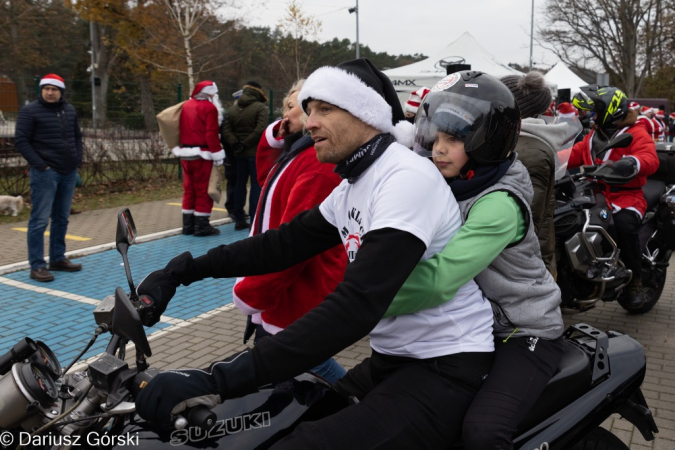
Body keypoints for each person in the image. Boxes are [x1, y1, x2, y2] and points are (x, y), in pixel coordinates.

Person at [135, 58, 495, 448]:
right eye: (308, 110)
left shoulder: (405, 179)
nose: (309, 123)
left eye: (325, 109)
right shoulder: (354, 183)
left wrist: (216, 379)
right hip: (394, 357)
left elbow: (356, 305)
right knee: (274, 428)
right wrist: (182, 271)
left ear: (365, 113)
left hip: (445, 363)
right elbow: (281, 245)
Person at [385, 70, 564, 450]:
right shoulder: (451, 182)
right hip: (475, 327)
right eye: (436, 137)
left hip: (523, 331)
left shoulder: (497, 204)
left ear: (487, 143)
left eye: (454, 139)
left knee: (483, 433)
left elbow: (439, 279)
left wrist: (361, 300)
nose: (439, 149)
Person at [234, 78, 347, 384]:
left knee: (299, 362)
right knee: (289, 365)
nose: (288, 114)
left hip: (298, 285)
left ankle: (358, 399)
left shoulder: (317, 162)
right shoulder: (299, 151)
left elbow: (295, 241)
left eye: (296, 106)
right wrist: (273, 137)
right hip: (285, 282)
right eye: (286, 106)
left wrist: (255, 292)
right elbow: (266, 176)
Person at [571, 85, 659, 309]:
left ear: (611, 111)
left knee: (623, 226)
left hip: (626, 196)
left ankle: (634, 282)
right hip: (595, 192)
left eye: (596, 112)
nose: (593, 116)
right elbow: (574, 154)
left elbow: (650, 158)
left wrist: (632, 162)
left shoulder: (636, 132)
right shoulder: (594, 136)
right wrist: (547, 158)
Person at [14, 74, 83, 282]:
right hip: (45, 173)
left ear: (61, 91)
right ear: (41, 90)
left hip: (68, 172)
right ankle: (37, 265)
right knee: (39, 220)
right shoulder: (30, 111)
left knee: (61, 217)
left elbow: (77, 136)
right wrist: (41, 166)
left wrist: (77, 160)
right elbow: (21, 140)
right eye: (46, 88)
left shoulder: (69, 110)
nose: (50, 92)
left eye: (54, 89)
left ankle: (57, 258)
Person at [501, 71, 568, 279]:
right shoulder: (516, 142)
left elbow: (525, 220)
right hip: (522, 260)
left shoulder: (529, 151)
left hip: (525, 265)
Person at [172, 80, 225, 237]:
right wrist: (218, 153)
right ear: (209, 93)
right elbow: (211, 134)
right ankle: (201, 227)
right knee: (203, 190)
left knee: (189, 189)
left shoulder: (186, 105)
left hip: (185, 154)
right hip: (203, 154)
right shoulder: (210, 108)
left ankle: (188, 226)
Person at [223, 81, 268, 231]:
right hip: (254, 153)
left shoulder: (233, 109)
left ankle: (239, 218)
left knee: (239, 185)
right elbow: (261, 129)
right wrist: (246, 143)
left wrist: (236, 143)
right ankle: (255, 219)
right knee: (256, 185)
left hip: (238, 154)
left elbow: (226, 129)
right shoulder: (261, 108)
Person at [221, 89, 243, 217]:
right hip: (231, 154)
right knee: (233, 181)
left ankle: (235, 207)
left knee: (237, 181)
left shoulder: (231, 115)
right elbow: (225, 134)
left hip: (235, 153)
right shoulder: (229, 115)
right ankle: (231, 207)